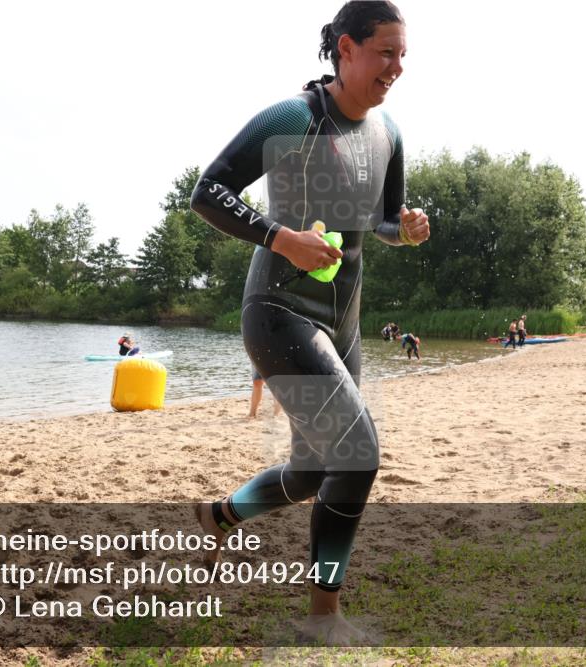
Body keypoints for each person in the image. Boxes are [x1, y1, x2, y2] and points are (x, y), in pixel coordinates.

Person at [189, 0, 427, 644]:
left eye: (403, 54)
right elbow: (208, 191)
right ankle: (323, 617)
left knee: (315, 472)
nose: (397, 67)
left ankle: (221, 515)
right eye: (385, 52)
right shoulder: (294, 117)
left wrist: (401, 231)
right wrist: (278, 237)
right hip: (279, 312)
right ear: (345, 49)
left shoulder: (388, 135)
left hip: (343, 321)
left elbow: (379, 219)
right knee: (358, 454)